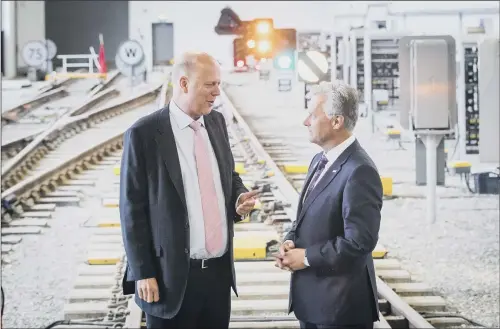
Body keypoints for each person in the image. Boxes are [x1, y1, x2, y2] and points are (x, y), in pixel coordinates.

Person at [119, 51, 260, 329]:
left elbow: (227, 176)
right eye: (210, 85)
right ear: (184, 84)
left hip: (218, 277)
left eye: (219, 84)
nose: (217, 93)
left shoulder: (217, 123)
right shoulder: (144, 134)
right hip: (169, 279)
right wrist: (142, 271)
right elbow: (131, 209)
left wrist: (238, 198)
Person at [275, 80, 383, 329]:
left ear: (336, 122)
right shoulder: (319, 160)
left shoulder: (360, 170)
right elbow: (307, 216)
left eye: (313, 115)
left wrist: (306, 257)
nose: (306, 122)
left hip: (340, 310)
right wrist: (291, 241)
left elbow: (359, 242)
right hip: (314, 303)